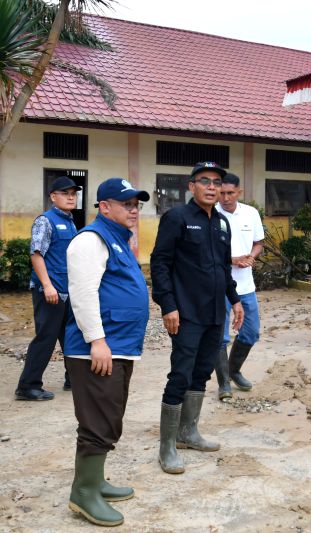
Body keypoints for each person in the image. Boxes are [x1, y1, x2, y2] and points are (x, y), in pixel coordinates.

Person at [63, 178, 150, 527]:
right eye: (126, 203)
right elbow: (83, 294)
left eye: (137, 204)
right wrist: (97, 340)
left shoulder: (117, 239)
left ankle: (96, 481)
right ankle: (83, 493)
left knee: (109, 415)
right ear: (104, 207)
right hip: (98, 348)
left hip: (119, 344)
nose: (133, 209)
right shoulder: (90, 240)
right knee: (98, 421)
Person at [150, 161, 244, 474]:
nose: (211, 186)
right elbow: (160, 263)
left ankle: (188, 432)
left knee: (202, 372)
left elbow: (223, 268)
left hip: (216, 313)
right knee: (181, 373)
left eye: (216, 182)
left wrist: (235, 299)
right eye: (204, 181)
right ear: (192, 186)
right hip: (186, 313)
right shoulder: (177, 218)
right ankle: (167, 446)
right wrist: (167, 305)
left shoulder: (221, 223)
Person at [15, 176, 81, 401]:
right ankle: (28, 386)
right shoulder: (45, 220)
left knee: (71, 336)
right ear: (53, 197)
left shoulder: (71, 221)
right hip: (50, 291)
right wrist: (47, 286)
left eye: (73, 193)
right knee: (46, 337)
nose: (71, 197)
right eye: (65, 193)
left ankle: (73, 379)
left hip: (67, 290)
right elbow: (36, 254)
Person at [213, 173, 264, 400]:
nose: (225, 197)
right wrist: (231, 260)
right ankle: (224, 383)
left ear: (239, 192)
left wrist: (251, 257)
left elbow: (258, 243)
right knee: (221, 337)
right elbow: (206, 252)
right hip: (220, 286)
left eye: (230, 193)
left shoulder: (250, 213)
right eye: (221, 193)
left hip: (245, 286)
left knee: (251, 332)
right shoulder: (211, 214)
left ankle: (234, 371)